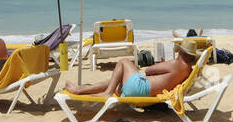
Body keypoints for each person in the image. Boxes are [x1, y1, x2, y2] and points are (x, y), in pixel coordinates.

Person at [66, 38, 201, 97]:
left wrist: (162, 65)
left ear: (181, 52)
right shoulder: (187, 70)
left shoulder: (175, 64)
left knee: (124, 62)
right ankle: (80, 89)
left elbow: (149, 70)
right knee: (115, 81)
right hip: (145, 92)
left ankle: (107, 93)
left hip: (141, 88)